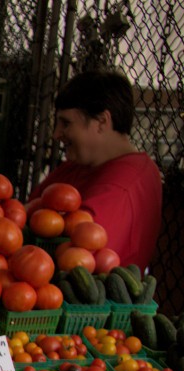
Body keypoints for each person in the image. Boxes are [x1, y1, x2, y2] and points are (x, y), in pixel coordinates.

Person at [29, 70, 163, 269]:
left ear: (102, 121)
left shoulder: (124, 181)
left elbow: (77, 254)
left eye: (66, 123)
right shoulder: (79, 164)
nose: (57, 134)